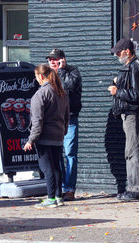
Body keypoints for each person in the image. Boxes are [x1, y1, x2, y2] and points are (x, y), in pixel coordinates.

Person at [108, 39, 139, 201]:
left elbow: (138, 94)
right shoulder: (131, 67)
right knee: (131, 151)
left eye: (119, 51)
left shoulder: (135, 67)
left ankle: (137, 189)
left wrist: (117, 91)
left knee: (133, 151)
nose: (117, 54)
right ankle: (134, 188)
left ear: (127, 51)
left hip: (133, 114)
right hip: (129, 114)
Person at [24, 64, 69, 209]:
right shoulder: (62, 92)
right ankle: (58, 197)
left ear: (41, 76)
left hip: (44, 136)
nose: (36, 79)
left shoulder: (40, 94)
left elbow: (37, 121)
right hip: (58, 135)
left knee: (46, 168)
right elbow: (67, 116)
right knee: (56, 167)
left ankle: (50, 198)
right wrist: (63, 131)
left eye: (36, 76)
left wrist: (31, 139)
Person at [47, 49, 82, 201]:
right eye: (50, 59)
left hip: (70, 118)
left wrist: (61, 70)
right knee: (56, 155)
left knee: (70, 153)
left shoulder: (72, 72)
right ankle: (58, 188)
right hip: (54, 120)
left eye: (55, 59)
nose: (52, 62)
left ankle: (69, 189)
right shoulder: (48, 75)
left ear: (62, 60)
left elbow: (69, 87)